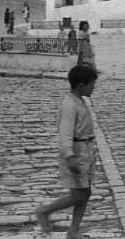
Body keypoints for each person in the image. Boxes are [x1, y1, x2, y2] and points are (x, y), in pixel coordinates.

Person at [36, 64, 98, 238]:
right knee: (79, 194)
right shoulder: (69, 105)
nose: (94, 87)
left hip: (85, 151)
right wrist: (70, 156)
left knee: (85, 192)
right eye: (92, 84)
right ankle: (45, 211)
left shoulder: (80, 101)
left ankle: (74, 231)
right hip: (76, 153)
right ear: (81, 86)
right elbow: (64, 134)